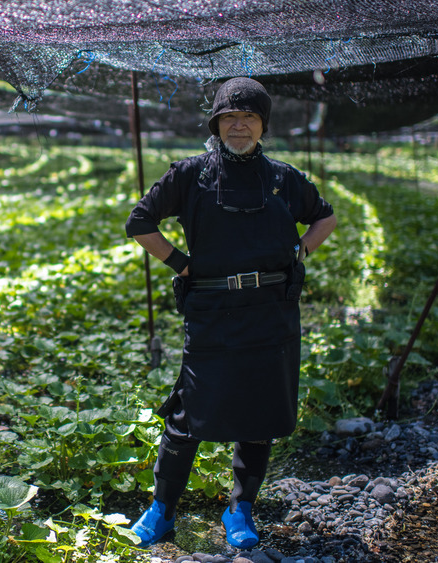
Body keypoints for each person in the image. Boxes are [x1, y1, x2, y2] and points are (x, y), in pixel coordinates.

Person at [124, 77, 337, 549]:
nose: (238, 126)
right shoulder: (191, 174)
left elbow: (326, 215)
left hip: (270, 314)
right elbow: (139, 222)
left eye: (249, 118)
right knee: (189, 414)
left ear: (263, 126)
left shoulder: (283, 178)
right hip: (213, 311)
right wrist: (181, 264)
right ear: (216, 124)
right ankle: (161, 510)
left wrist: (300, 251)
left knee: (258, 414)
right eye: (229, 118)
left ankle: (240, 508)